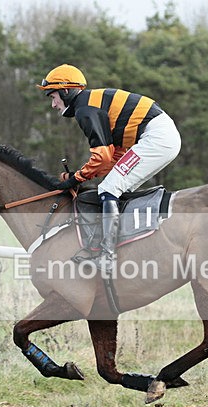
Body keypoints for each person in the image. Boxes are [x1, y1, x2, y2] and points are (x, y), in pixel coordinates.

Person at [37, 64, 181, 270]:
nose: (53, 104)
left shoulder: (85, 109)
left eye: (53, 97)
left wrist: (76, 178)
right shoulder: (91, 103)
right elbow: (112, 159)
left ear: (66, 91)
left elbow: (102, 157)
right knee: (114, 186)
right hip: (160, 135)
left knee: (109, 187)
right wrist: (81, 175)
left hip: (157, 137)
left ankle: (107, 256)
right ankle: (126, 245)